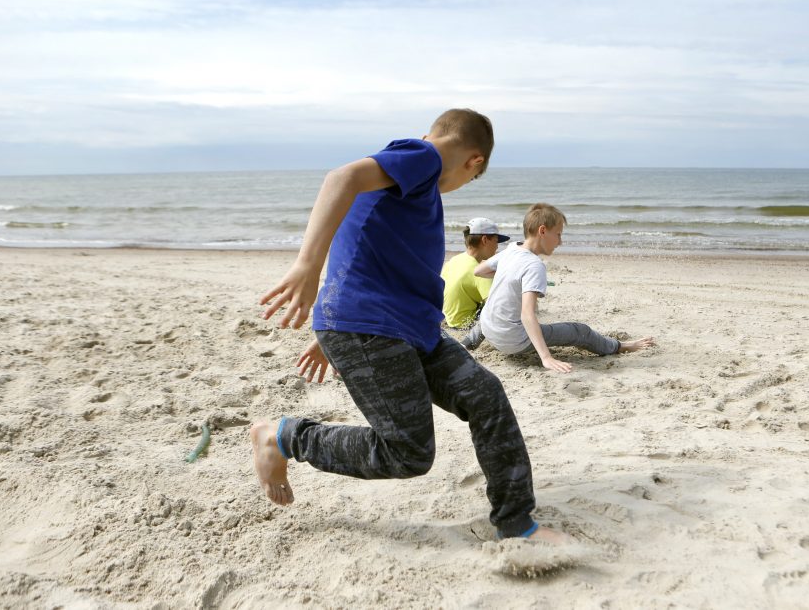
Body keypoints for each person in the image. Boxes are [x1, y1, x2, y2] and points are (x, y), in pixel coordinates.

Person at [250, 109, 567, 543]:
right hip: (373, 326)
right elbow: (340, 179)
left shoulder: (407, 183)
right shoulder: (424, 158)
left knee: (485, 396)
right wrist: (308, 268)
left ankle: (516, 523)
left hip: (408, 326)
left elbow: (360, 235)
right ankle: (283, 437)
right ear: (474, 162)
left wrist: (329, 327)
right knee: (408, 452)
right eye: (471, 178)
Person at [462, 203, 655, 373]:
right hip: (512, 341)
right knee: (579, 331)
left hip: (488, 329)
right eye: (559, 234)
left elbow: (479, 270)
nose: (560, 242)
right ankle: (619, 346)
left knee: (491, 309)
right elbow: (527, 315)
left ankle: (466, 344)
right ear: (543, 231)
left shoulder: (511, 249)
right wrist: (546, 358)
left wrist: (511, 275)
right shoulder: (534, 265)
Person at [441, 217, 510, 329]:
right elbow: (498, 309)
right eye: (496, 241)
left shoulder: (454, 261)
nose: (497, 247)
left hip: (450, 319)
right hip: (466, 325)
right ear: (484, 240)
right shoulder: (479, 272)